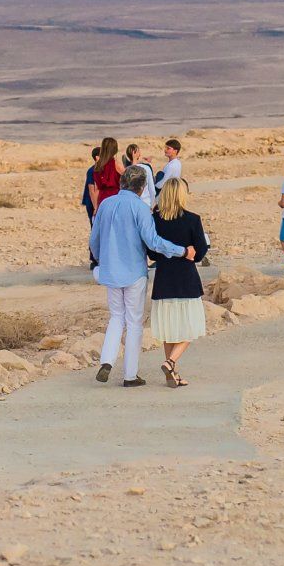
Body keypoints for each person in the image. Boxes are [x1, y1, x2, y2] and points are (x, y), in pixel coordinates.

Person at [88, 165, 190, 387]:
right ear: (142, 187)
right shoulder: (140, 208)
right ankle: (130, 375)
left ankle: (107, 360)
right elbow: (153, 242)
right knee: (134, 322)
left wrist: (100, 260)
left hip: (111, 271)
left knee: (116, 317)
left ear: (122, 182)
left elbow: (94, 239)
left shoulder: (106, 204)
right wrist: (181, 250)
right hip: (134, 271)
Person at [148, 177, 210, 388]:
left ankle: (172, 374)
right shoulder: (192, 219)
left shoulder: (155, 220)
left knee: (169, 330)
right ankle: (170, 362)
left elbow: (152, 252)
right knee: (190, 328)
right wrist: (189, 252)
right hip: (186, 280)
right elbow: (200, 253)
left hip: (164, 279)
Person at [87, 136, 121, 214]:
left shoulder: (98, 166)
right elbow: (128, 182)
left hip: (102, 200)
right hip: (115, 199)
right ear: (115, 150)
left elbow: (96, 189)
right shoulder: (116, 164)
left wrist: (96, 207)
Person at [124, 143, 157, 209]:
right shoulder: (146, 168)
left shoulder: (126, 171)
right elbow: (152, 189)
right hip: (145, 203)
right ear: (137, 154)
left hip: (131, 204)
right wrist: (152, 204)